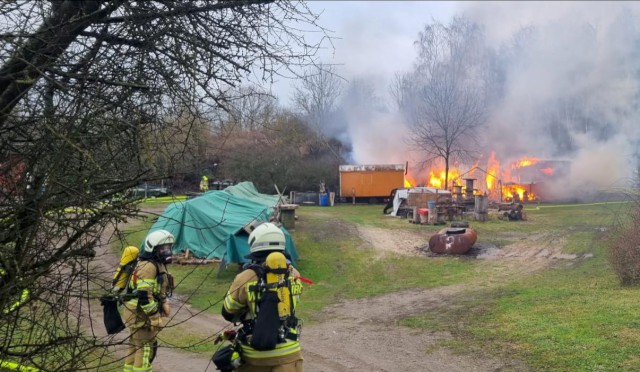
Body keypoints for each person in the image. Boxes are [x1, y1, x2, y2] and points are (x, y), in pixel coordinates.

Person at [220, 222, 304, 372]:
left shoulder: (245, 278)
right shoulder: (294, 274)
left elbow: (228, 312)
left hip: (254, 356)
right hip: (289, 354)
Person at [123, 230, 175, 372]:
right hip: (139, 314)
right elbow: (144, 295)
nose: (167, 251)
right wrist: (154, 317)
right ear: (152, 248)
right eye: (163, 248)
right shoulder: (148, 266)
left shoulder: (157, 264)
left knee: (135, 346)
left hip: (138, 313)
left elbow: (158, 288)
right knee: (145, 348)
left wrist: (164, 301)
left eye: (169, 247)